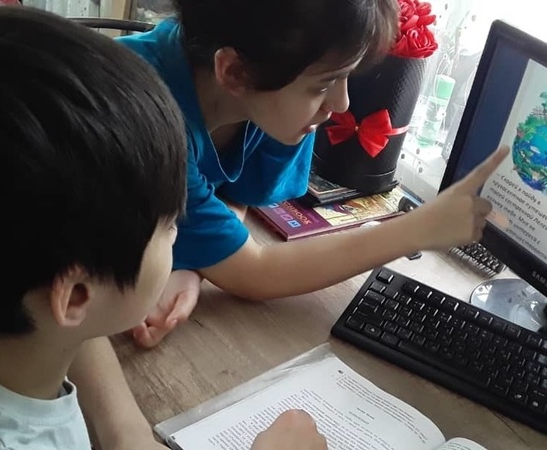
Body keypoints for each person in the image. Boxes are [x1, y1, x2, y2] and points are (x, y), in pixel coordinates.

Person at [0, 7, 327, 450]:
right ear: (77, 295)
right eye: (168, 224)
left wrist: (127, 433)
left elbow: (46, 295)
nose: (177, 234)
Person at [118, 0, 509, 348]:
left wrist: (198, 260)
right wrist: (418, 229)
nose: (341, 104)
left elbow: (235, 195)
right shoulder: (148, 121)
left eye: (346, 77)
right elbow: (256, 272)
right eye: (323, 86)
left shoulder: (265, 89)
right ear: (234, 71)